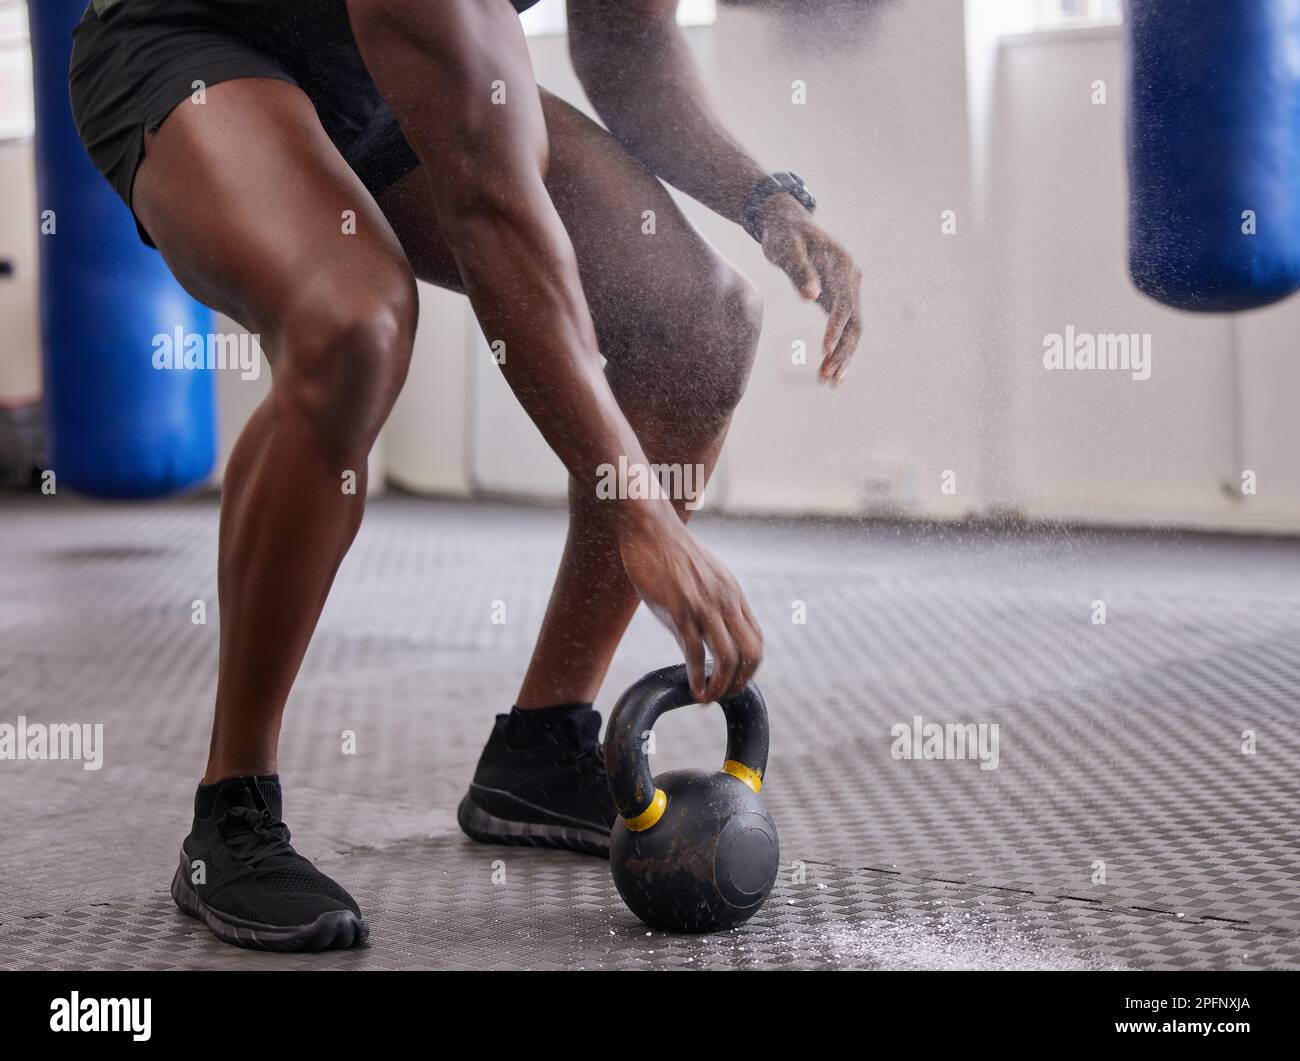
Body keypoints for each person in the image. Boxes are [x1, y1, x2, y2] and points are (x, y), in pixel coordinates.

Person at [69, 0, 862, 951]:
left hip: (379, 77)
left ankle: (539, 747)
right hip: (193, 40)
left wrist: (764, 196)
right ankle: (232, 809)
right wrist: (639, 508)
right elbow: (492, 210)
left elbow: (632, 45)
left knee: (701, 318)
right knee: (354, 322)